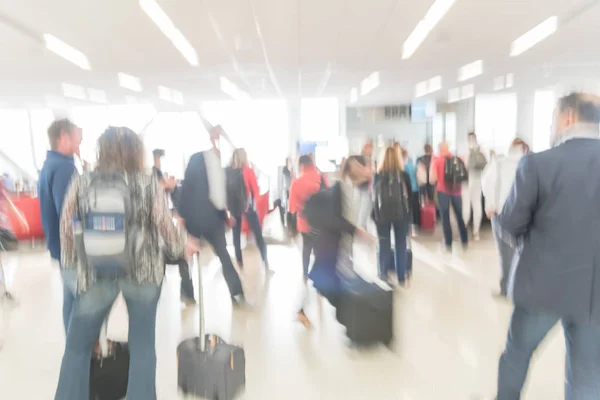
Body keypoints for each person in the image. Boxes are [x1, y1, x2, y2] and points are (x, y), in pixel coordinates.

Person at [54, 126, 196, 399]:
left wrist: (74, 268)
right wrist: (181, 247)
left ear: (101, 151)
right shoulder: (146, 182)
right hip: (143, 273)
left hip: (95, 272)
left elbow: (66, 229)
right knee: (143, 345)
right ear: (136, 153)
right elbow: (163, 225)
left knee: (77, 347)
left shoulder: (84, 181)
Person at [495, 93, 600, 399]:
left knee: (517, 356)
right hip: (594, 295)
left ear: (568, 117)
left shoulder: (539, 164)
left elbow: (511, 224)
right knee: (588, 373)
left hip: (542, 287)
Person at [296, 155, 375, 328]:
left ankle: (303, 309)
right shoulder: (344, 189)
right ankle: (350, 319)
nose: (369, 170)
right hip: (331, 243)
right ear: (357, 169)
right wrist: (358, 231)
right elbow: (339, 219)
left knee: (321, 278)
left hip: (333, 242)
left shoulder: (349, 188)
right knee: (326, 280)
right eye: (365, 167)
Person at [180, 143, 246, 306]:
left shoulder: (200, 164)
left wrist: (187, 224)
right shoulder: (208, 166)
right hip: (211, 220)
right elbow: (214, 195)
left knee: (188, 258)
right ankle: (236, 292)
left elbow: (188, 192)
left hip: (199, 219)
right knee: (223, 255)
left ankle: (187, 293)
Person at [38, 118, 81, 334]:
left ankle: (74, 344)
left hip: (61, 247)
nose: (78, 146)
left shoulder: (50, 164)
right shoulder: (64, 167)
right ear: (63, 138)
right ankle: (81, 349)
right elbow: (69, 213)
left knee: (71, 299)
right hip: (71, 248)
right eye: (77, 140)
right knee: (82, 300)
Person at [481, 138, 529, 297]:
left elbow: (488, 182)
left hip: (502, 212)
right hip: (523, 214)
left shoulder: (500, 162)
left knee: (505, 254)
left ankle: (506, 289)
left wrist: (490, 205)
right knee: (521, 253)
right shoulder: (530, 164)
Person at [373, 147, 413, 286]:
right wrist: (410, 220)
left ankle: (383, 275)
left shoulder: (377, 175)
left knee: (383, 244)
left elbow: (374, 198)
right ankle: (401, 277)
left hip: (382, 216)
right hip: (401, 214)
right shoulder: (404, 175)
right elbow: (410, 199)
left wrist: (374, 217)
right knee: (400, 245)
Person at [229, 148, 270, 271]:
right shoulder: (248, 171)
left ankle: (240, 263)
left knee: (236, 237)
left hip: (234, 209)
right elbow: (256, 192)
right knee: (258, 236)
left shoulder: (230, 172)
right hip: (248, 208)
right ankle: (265, 262)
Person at [289, 155, 327, 281]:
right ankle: (319, 273)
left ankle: (305, 273)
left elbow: (292, 208)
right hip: (320, 221)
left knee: (306, 247)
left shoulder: (296, 182)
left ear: (301, 165)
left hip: (304, 222)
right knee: (319, 248)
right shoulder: (320, 178)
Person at [429, 142, 468, 251]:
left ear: (439, 149)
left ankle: (448, 242)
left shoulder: (437, 161)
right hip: (457, 191)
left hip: (443, 192)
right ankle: (464, 239)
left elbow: (432, 180)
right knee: (459, 216)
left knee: (445, 217)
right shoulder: (458, 159)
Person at [462, 132, 486, 240]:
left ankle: (464, 229)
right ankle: (476, 232)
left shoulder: (464, 149)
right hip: (478, 179)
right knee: (477, 205)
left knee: (466, 205)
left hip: (466, 180)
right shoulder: (481, 149)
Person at [401, 148, 420, 229]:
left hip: (408, 190)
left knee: (408, 208)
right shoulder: (412, 164)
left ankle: (409, 225)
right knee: (415, 207)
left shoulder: (403, 166)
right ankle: (416, 223)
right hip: (416, 188)